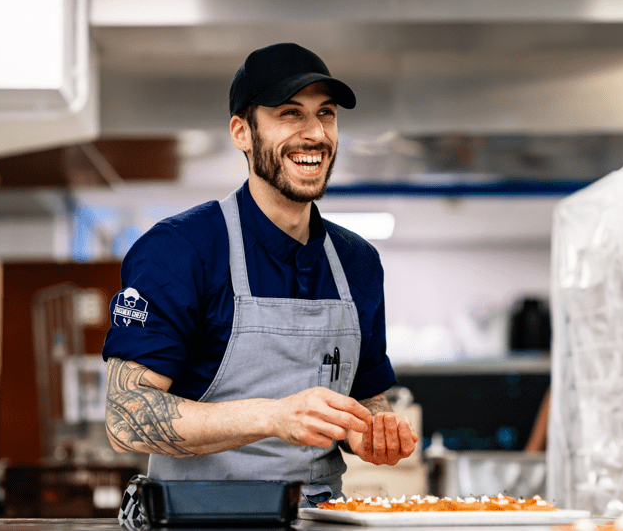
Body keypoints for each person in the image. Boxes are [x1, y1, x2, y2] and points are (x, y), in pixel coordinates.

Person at [102, 42, 418, 508]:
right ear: (242, 132)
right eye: (290, 114)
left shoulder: (358, 263)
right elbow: (126, 418)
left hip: (320, 517)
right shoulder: (180, 250)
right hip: (201, 520)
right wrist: (273, 417)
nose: (315, 133)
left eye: (326, 114)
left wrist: (371, 431)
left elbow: (366, 396)